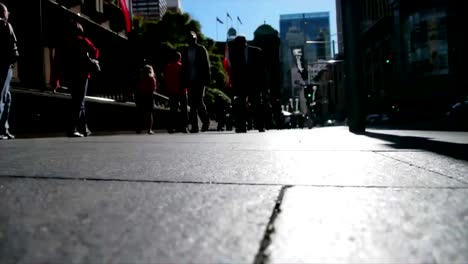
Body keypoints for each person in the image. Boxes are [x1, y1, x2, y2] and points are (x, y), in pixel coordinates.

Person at [51, 21, 99, 137]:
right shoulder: (82, 40)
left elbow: (56, 63)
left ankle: (84, 128)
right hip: (82, 75)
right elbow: (96, 52)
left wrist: (55, 81)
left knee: (77, 100)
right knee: (79, 102)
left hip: (69, 75)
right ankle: (72, 128)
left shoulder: (62, 43)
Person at [229, 35, 266, 133]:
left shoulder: (256, 51)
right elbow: (233, 70)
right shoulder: (234, 53)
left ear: (245, 42)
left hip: (254, 82)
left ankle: (260, 125)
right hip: (241, 83)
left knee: (257, 104)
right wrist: (234, 84)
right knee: (240, 105)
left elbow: (261, 69)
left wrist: (262, 83)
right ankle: (242, 126)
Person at [181, 31, 211, 133]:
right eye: (189, 39)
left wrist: (207, 79)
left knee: (198, 102)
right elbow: (183, 67)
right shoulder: (184, 50)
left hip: (199, 80)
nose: (191, 40)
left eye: (192, 39)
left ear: (196, 39)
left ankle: (205, 122)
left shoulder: (201, 49)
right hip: (189, 80)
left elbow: (206, 65)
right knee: (192, 103)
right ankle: (195, 126)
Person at [0, 2, 18, 140]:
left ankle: (4, 128)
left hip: (5, 64)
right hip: (5, 65)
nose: (8, 14)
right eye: (6, 11)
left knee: (7, 97)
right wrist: (13, 59)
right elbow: (13, 45)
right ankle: (2, 130)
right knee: (2, 97)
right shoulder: (6, 25)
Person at [163, 51, 188, 133]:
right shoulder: (181, 66)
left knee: (173, 110)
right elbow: (185, 78)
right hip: (182, 91)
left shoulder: (168, 66)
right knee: (184, 110)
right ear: (179, 58)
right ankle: (184, 127)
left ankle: (171, 127)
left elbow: (166, 79)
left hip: (172, 91)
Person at [135, 65, 157, 134]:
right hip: (149, 96)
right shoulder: (152, 79)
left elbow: (139, 87)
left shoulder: (141, 78)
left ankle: (139, 129)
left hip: (141, 96)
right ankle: (149, 129)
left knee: (140, 113)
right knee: (149, 114)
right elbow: (153, 88)